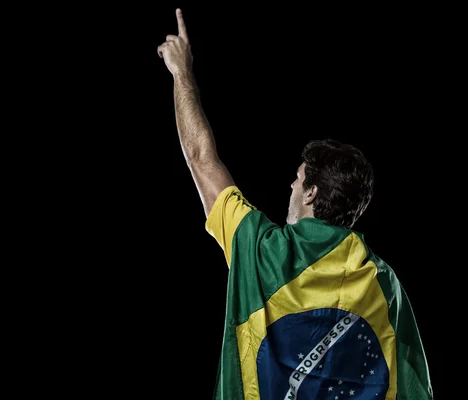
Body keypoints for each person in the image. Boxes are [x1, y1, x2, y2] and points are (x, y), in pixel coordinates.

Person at [157, 8, 433, 400]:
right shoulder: (384, 284)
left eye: (298, 177)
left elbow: (201, 158)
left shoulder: (260, 249)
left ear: (312, 193)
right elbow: (415, 388)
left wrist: (181, 72)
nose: (290, 184)